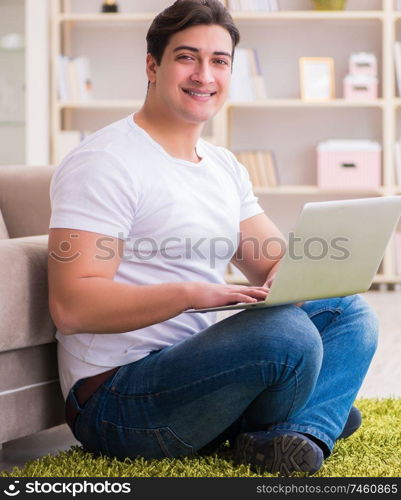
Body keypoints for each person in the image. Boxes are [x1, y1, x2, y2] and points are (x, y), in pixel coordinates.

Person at [48, 0, 379, 476]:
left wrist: (301, 274)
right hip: (117, 398)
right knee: (286, 336)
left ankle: (299, 435)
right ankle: (306, 415)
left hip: (195, 369)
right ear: (152, 65)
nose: (204, 74)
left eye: (219, 61)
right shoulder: (105, 161)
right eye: (186, 57)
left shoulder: (221, 165)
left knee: (346, 311)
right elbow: (72, 306)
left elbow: (270, 261)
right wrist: (192, 296)